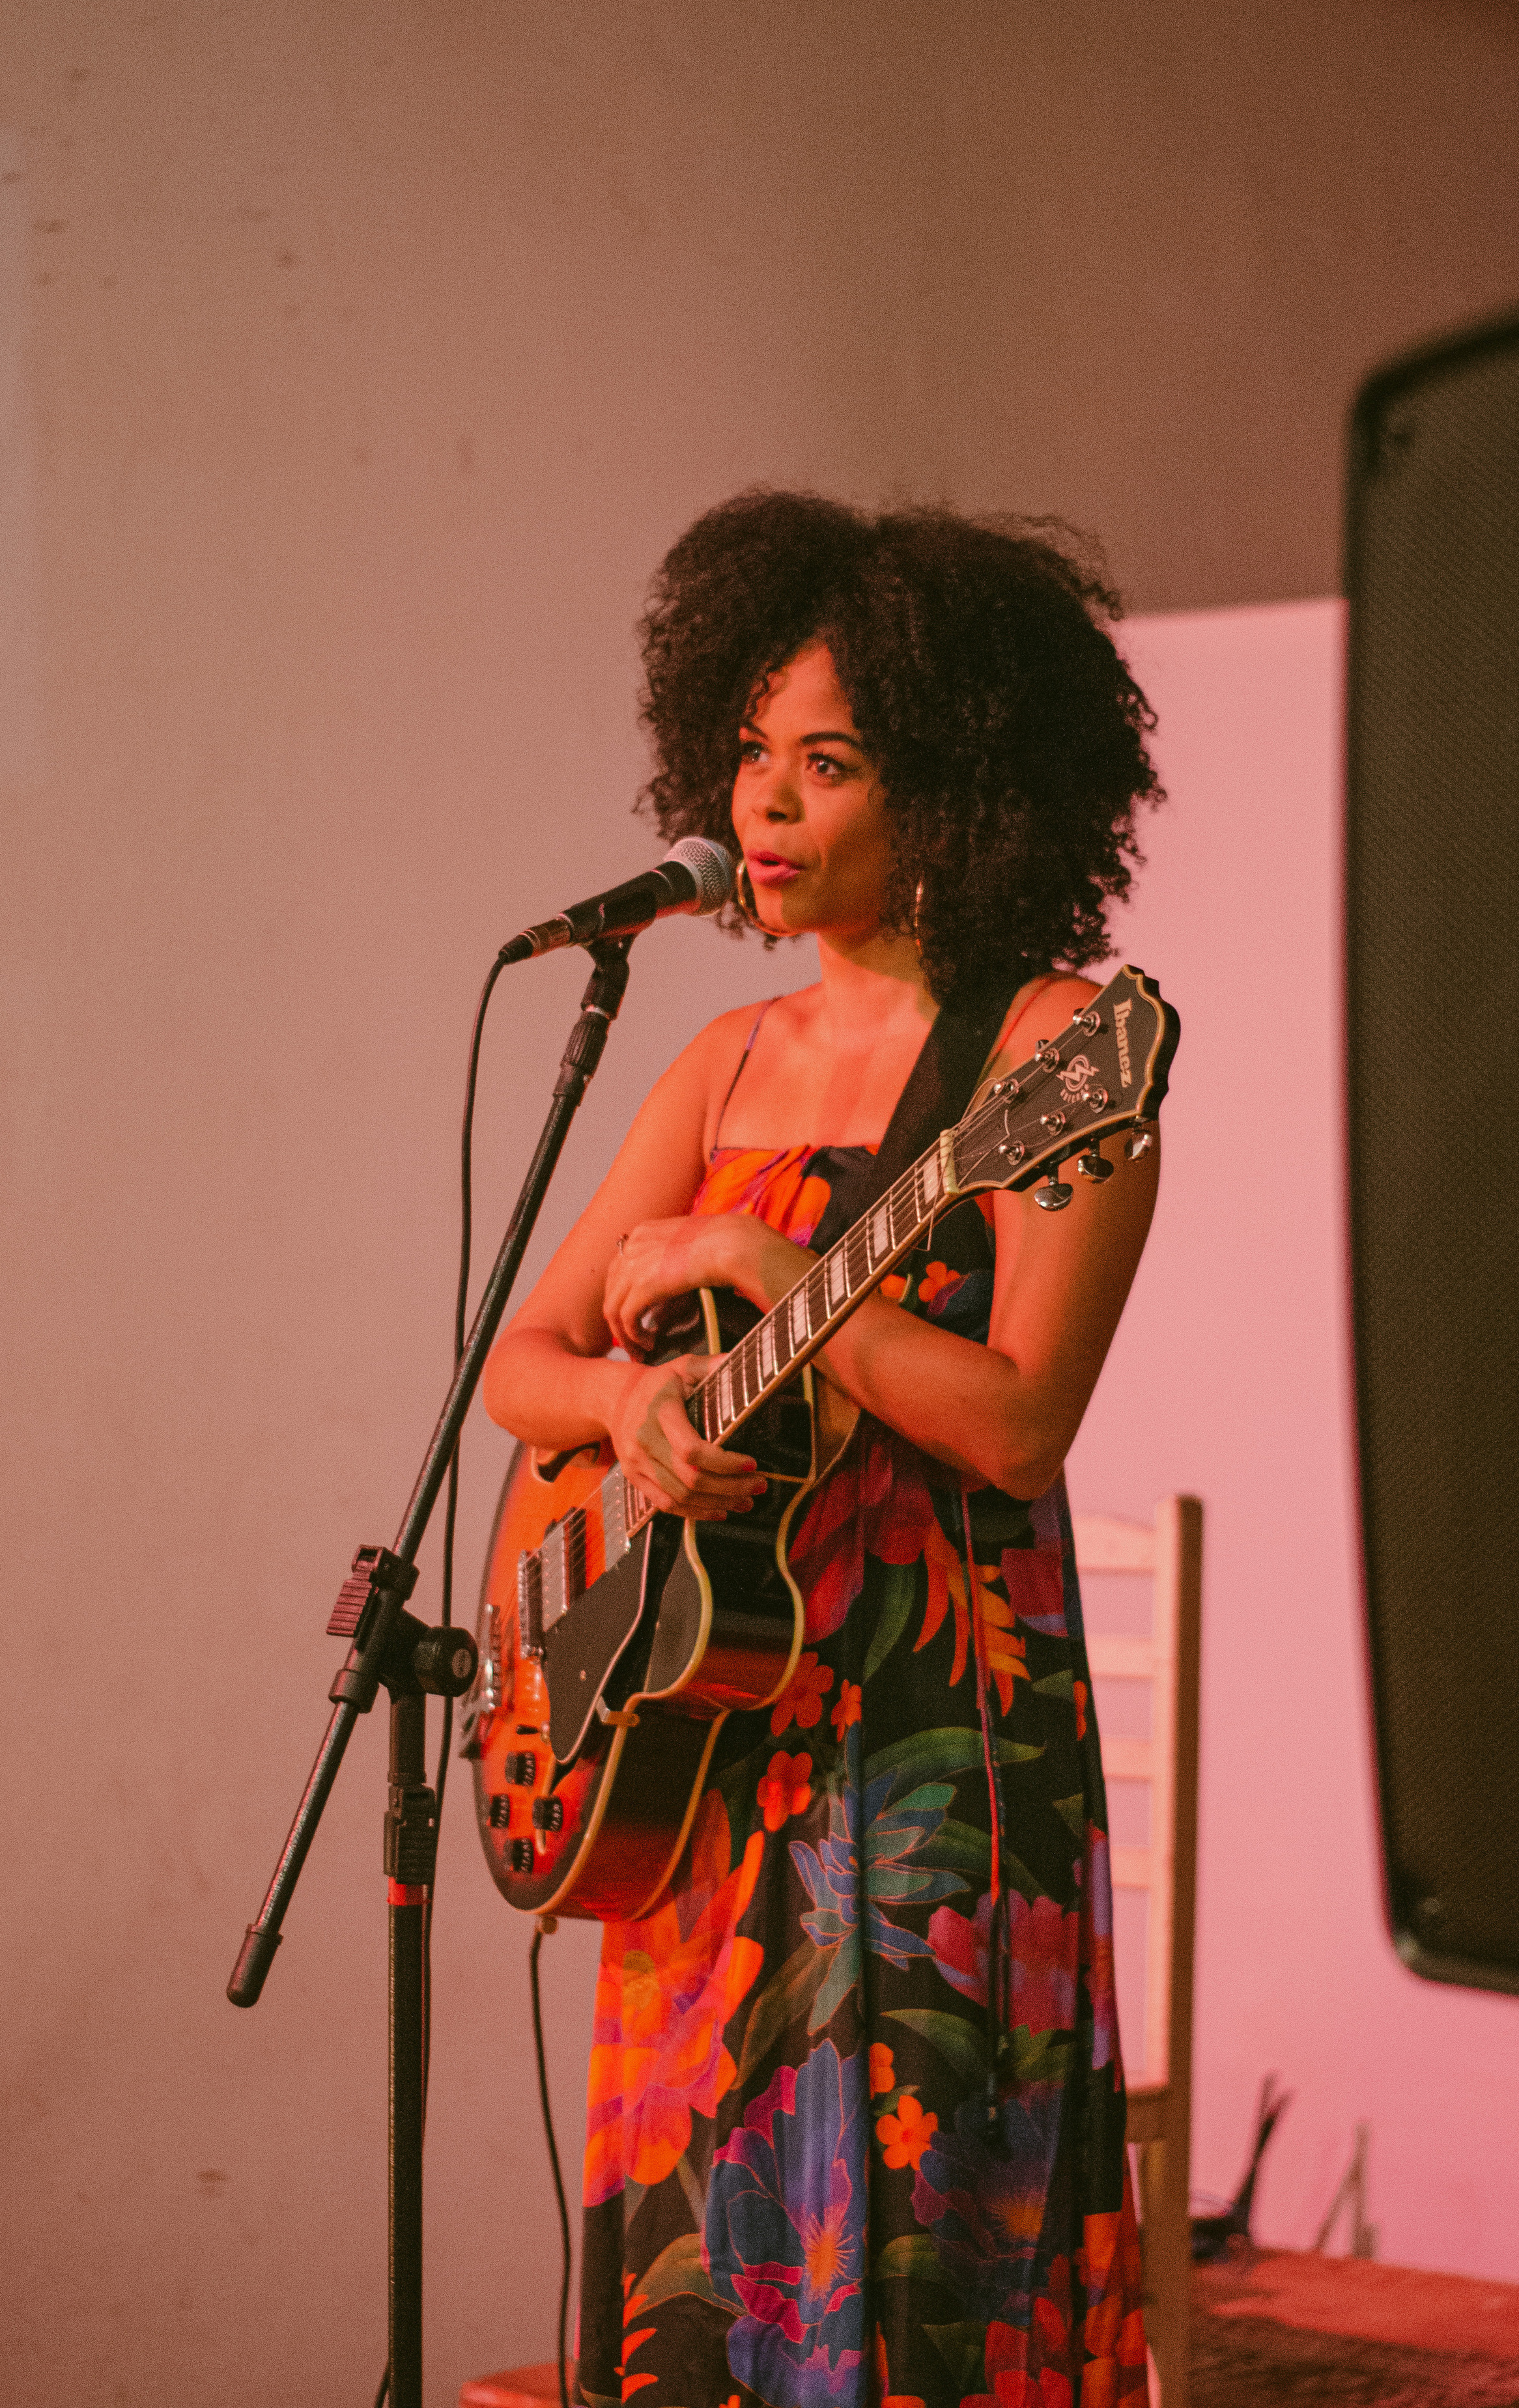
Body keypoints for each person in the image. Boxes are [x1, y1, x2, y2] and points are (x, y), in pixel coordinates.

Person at [483, 489, 1165, 2408]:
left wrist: (784, 1271)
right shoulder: (719, 1060)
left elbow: (1024, 1420)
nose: (763, 810)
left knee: (934, 2277)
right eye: (750, 757)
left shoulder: (1056, 1049)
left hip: (942, 1765)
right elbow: (522, 1367)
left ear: (954, 784)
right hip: (704, 1755)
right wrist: (628, 1401)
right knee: (708, 2304)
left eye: (828, 763)